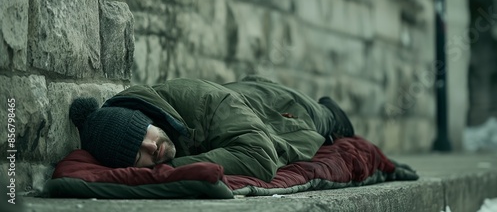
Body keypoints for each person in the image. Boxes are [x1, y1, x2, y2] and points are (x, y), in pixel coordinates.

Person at [69, 75, 354, 182]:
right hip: (241, 103)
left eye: (144, 134)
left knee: (331, 121)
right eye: (136, 155)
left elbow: (259, 157)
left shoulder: (205, 102)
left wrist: (168, 169)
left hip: (286, 110)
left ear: (148, 117)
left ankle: (329, 108)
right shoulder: (163, 124)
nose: (150, 147)